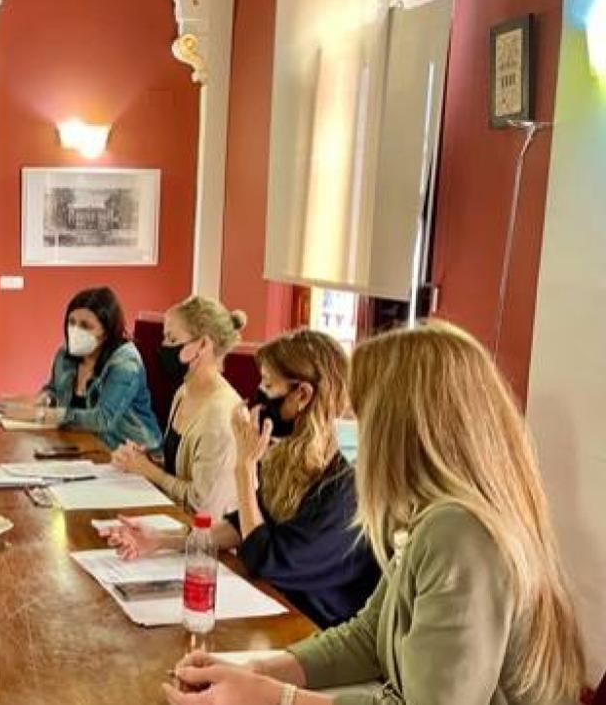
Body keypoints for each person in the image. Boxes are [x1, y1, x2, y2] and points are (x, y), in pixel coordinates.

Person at [161, 323, 585, 705]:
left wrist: (275, 697)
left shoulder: (460, 534)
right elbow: (367, 636)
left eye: (363, 420)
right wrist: (256, 670)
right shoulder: (430, 516)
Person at [108, 329, 379, 627]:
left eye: (268, 384)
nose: (258, 394)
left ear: (302, 395)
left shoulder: (342, 490)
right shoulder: (287, 458)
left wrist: (244, 468)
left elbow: (263, 557)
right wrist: (161, 540)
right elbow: (242, 527)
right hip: (273, 610)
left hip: (312, 628)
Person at [110, 296, 245, 519]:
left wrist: (149, 471)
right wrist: (144, 460)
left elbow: (203, 505)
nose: (164, 347)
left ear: (203, 345)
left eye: (172, 339)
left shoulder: (221, 415)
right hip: (172, 519)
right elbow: (179, 469)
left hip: (206, 533)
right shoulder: (184, 391)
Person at [0, 287, 160, 450]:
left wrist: (42, 415)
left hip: (132, 452)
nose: (75, 331)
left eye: (85, 326)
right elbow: (54, 389)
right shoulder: (65, 354)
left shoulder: (125, 363)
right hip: (82, 441)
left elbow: (103, 419)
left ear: (106, 332)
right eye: (72, 322)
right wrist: (45, 399)